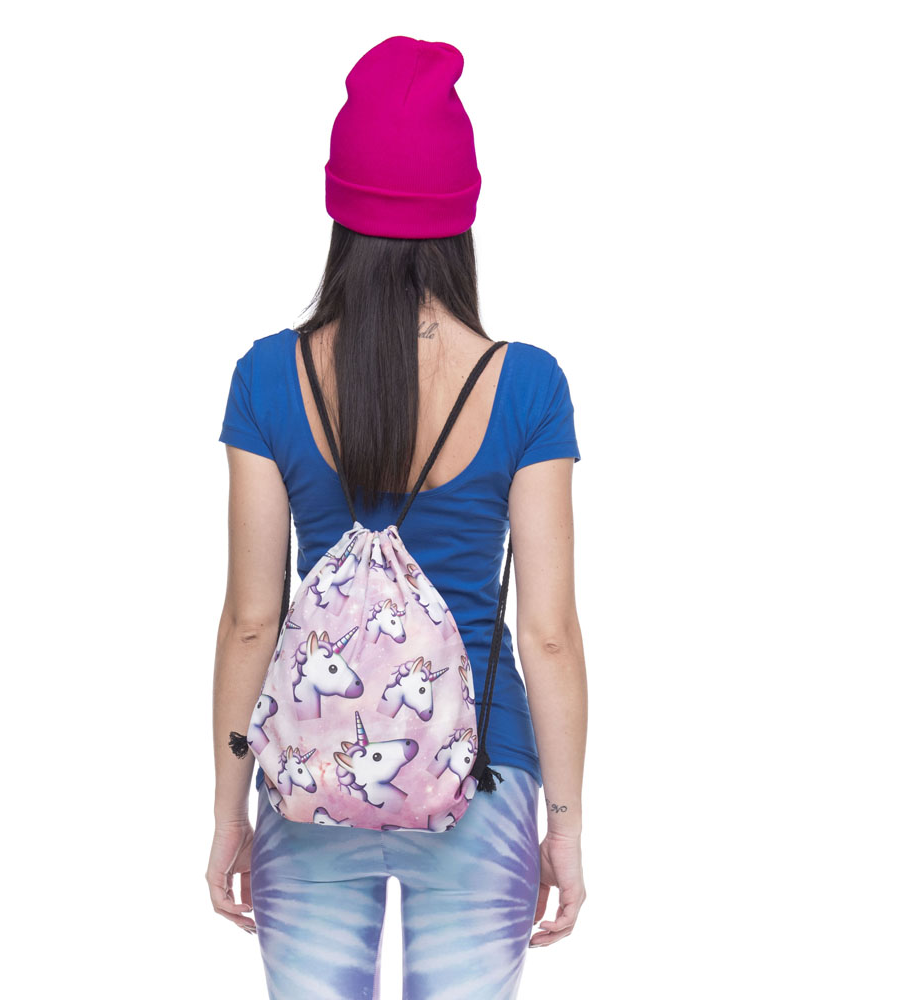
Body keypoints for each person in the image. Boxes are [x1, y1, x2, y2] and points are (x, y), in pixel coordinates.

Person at [206, 35, 588, 1000]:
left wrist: (227, 810)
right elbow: (547, 633)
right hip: (484, 773)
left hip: (308, 776)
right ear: (462, 214)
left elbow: (251, 619)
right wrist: (566, 828)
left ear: (340, 208)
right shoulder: (526, 386)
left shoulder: (268, 377)